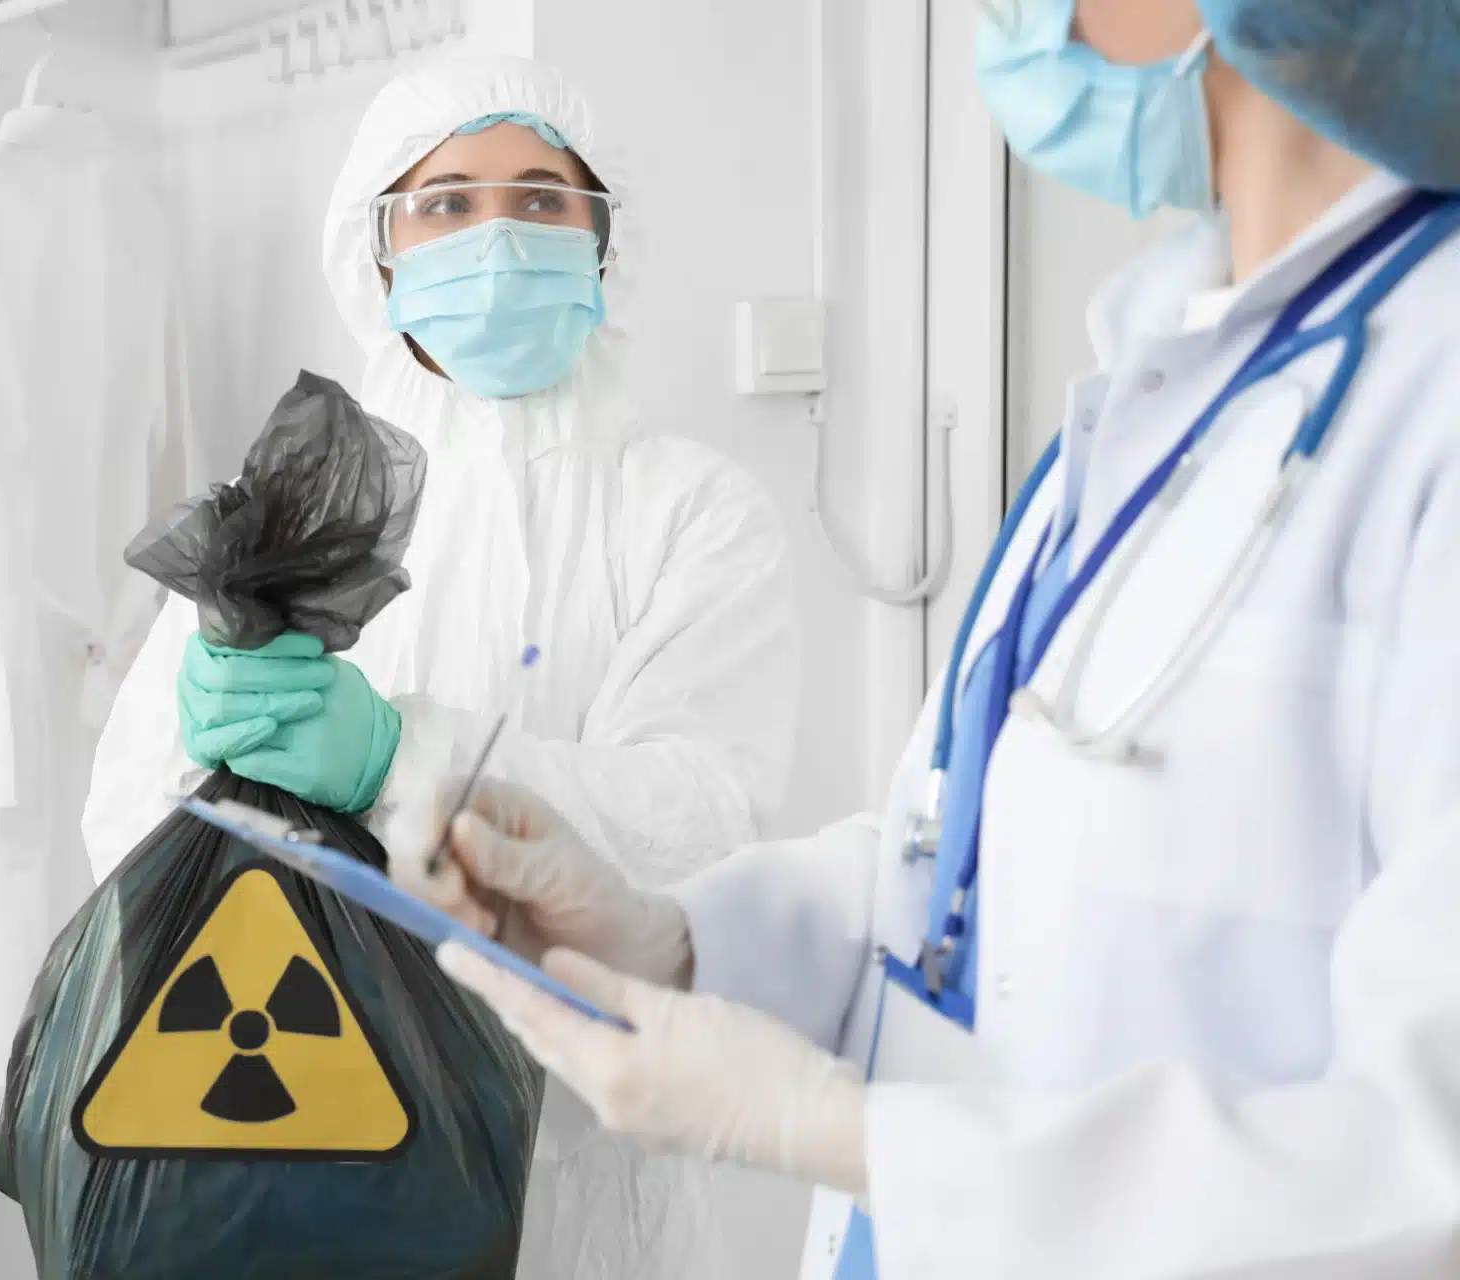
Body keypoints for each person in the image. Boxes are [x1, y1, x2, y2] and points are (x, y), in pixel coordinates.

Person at [392, 4, 1460, 1277]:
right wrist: (677, 940)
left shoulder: (1428, 398)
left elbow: (1426, 1165)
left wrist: (854, 1137)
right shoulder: (1176, 364)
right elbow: (978, 852)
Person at [83, 56, 799, 1279]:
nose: (499, 241)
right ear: (377, 250)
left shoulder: (692, 512)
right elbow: (125, 840)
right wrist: (191, 753)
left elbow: (700, 820)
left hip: (586, 1172)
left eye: (542, 200)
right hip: (294, 1133)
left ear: (604, 239)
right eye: (448, 202)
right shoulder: (284, 509)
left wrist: (396, 759)